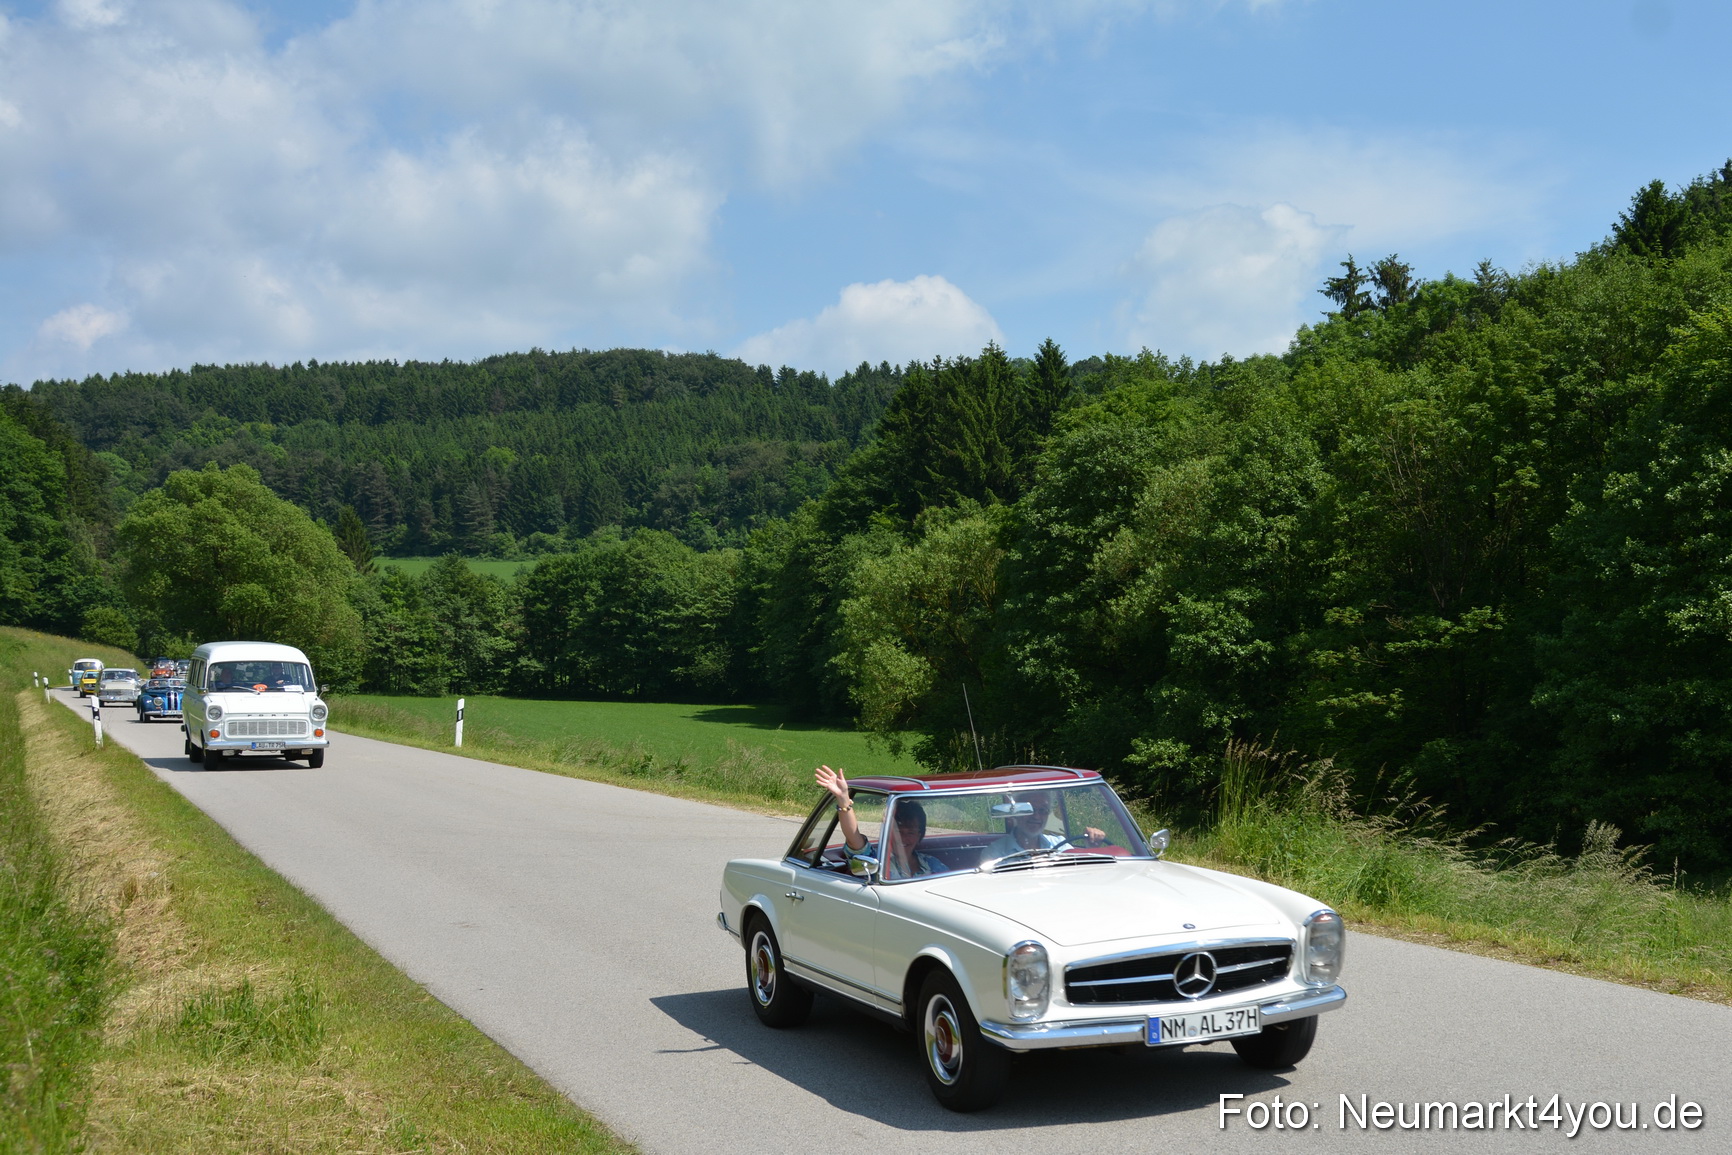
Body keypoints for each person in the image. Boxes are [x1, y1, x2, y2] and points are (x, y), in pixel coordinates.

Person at [814, 765, 943, 878]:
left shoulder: (931, 863)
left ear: (919, 835)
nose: (903, 838)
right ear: (887, 832)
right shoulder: (874, 860)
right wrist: (843, 799)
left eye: (910, 832)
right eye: (898, 831)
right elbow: (853, 838)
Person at [981, 790, 1105, 861]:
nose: (1036, 816)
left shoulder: (1059, 845)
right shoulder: (995, 853)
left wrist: (1091, 847)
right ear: (1016, 813)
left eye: (1043, 810)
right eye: (1030, 810)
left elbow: (1083, 872)